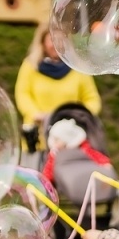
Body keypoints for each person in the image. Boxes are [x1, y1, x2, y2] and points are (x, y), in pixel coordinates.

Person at [15, 27, 101, 155]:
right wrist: (35, 114)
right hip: (38, 138)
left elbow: (92, 99)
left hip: (70, 138)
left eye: (61, 39)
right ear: (42, 43)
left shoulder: (78, 67)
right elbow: (22, 94)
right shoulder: (30, 65)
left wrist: (78, 117)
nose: (57, 44)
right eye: (52, 39)